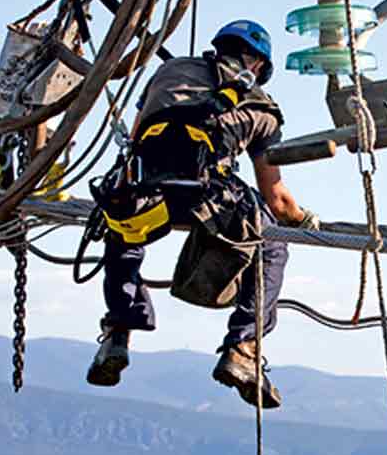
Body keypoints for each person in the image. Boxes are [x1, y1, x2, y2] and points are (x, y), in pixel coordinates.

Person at [85, 20, 318, 409]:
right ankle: (242, 347)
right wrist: (303, 219)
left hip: (146, 195)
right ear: (258, 65)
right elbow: (276, 199)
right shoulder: (261, 107)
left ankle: (118, 333)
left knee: (121, 232)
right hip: (210, 201)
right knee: (273, 244)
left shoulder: (168, 72)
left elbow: (140, 133)